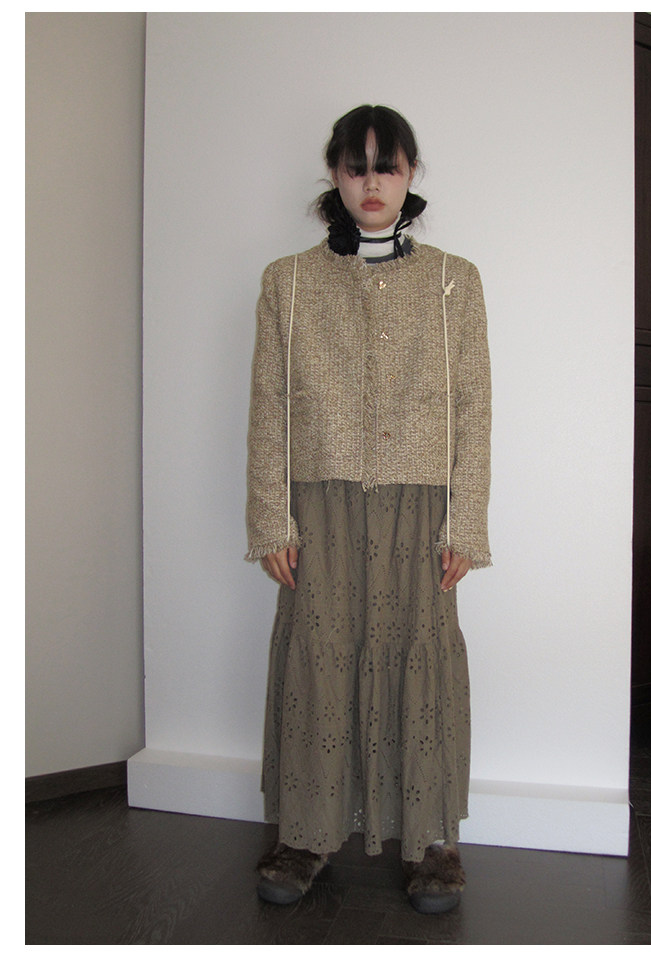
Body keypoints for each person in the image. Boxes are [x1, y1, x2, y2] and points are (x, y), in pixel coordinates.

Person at [245, 104, 491, 915]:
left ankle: (430, 839)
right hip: (319, 505)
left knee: (418, 655)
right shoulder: (287, 281)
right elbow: (269, 406)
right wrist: (270, 519)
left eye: (388, 166)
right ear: (336, 175)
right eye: (357, 166)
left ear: (411, 173)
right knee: (320, 658)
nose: (372, 182)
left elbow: (474, 409)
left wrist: (466, 523)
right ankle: (307, 834)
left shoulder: (455, 281)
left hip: (421, 508)